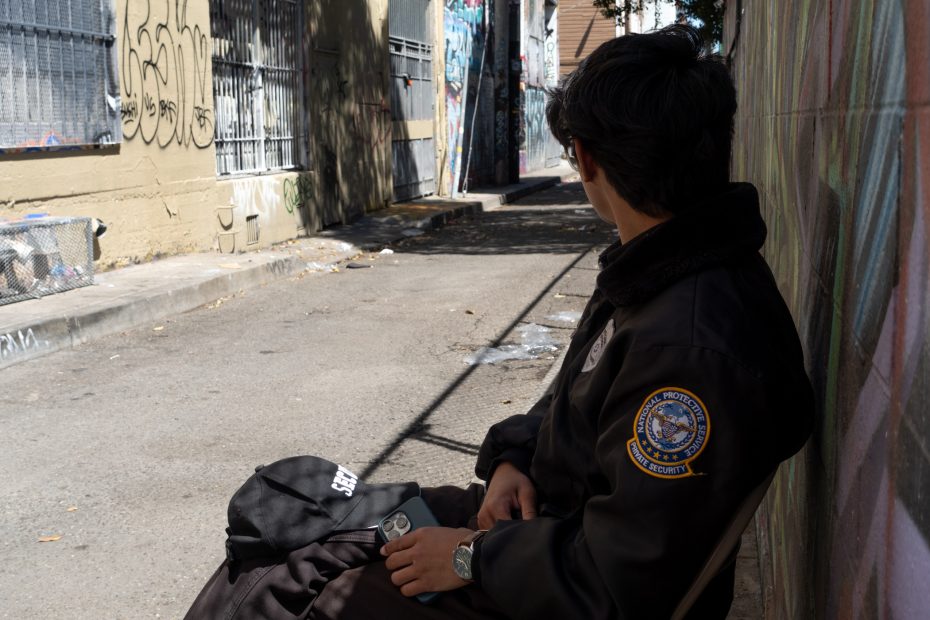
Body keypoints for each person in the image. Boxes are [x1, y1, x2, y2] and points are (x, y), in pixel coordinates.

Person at [186, 24, 814, 620]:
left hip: (545, 581)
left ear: (587, 161)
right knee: (298, 521)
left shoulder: (692, 346)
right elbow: (574, 400)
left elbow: (621, 580)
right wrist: (515, 460)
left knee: (301, 594)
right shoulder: (657, 270)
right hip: (531, 534)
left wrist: (467, 557)